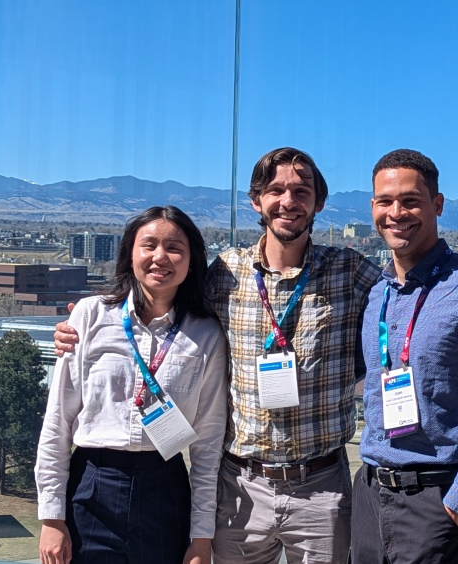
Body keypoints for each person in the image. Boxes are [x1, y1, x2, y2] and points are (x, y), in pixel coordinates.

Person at [54, 148, 380, 564]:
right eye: (276, 190)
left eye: (301, 191)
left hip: (320, 486)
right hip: (239, 487)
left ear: (319, 202)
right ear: (255, 200)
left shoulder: (350, 271)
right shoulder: (225, 272)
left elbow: (408, 301)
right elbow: (163, 306)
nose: (288, 201)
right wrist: (84, 323)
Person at [352, 148, 458, 564]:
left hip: (437, 499)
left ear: (437, 204)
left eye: (411, 200)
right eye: (385, 201)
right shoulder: (376, 292)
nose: (397, 212)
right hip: (371, 494)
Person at [36, 205, 228, 564]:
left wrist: (201, 538)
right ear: (130, 254)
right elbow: (57, 421)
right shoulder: (90, 315)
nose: (160, 257)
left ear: (191, 261)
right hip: (91, 484)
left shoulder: (206, 334)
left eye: (175, 248)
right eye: (149, 245)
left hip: (164, 489)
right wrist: (51, 517)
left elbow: (208, 446)